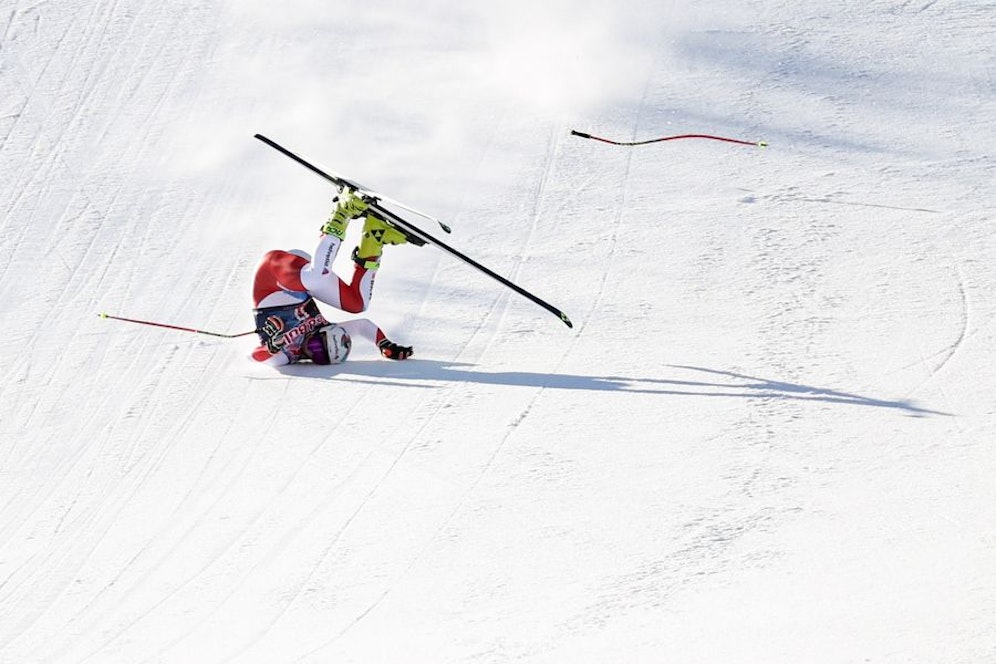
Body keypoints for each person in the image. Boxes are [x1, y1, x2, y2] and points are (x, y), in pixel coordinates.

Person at [250, 187, 417, 366]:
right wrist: (384, 344)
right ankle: (375, 237)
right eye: (321, 355)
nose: (312, 351)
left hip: (272, 276)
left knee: (316, 278)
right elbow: (362, 326)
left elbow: (253, 356)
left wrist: (273, 347)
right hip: (305, 279)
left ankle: (342, 211)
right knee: (358, 304)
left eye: (317, 349)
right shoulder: (330, 332)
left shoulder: (286, 355)